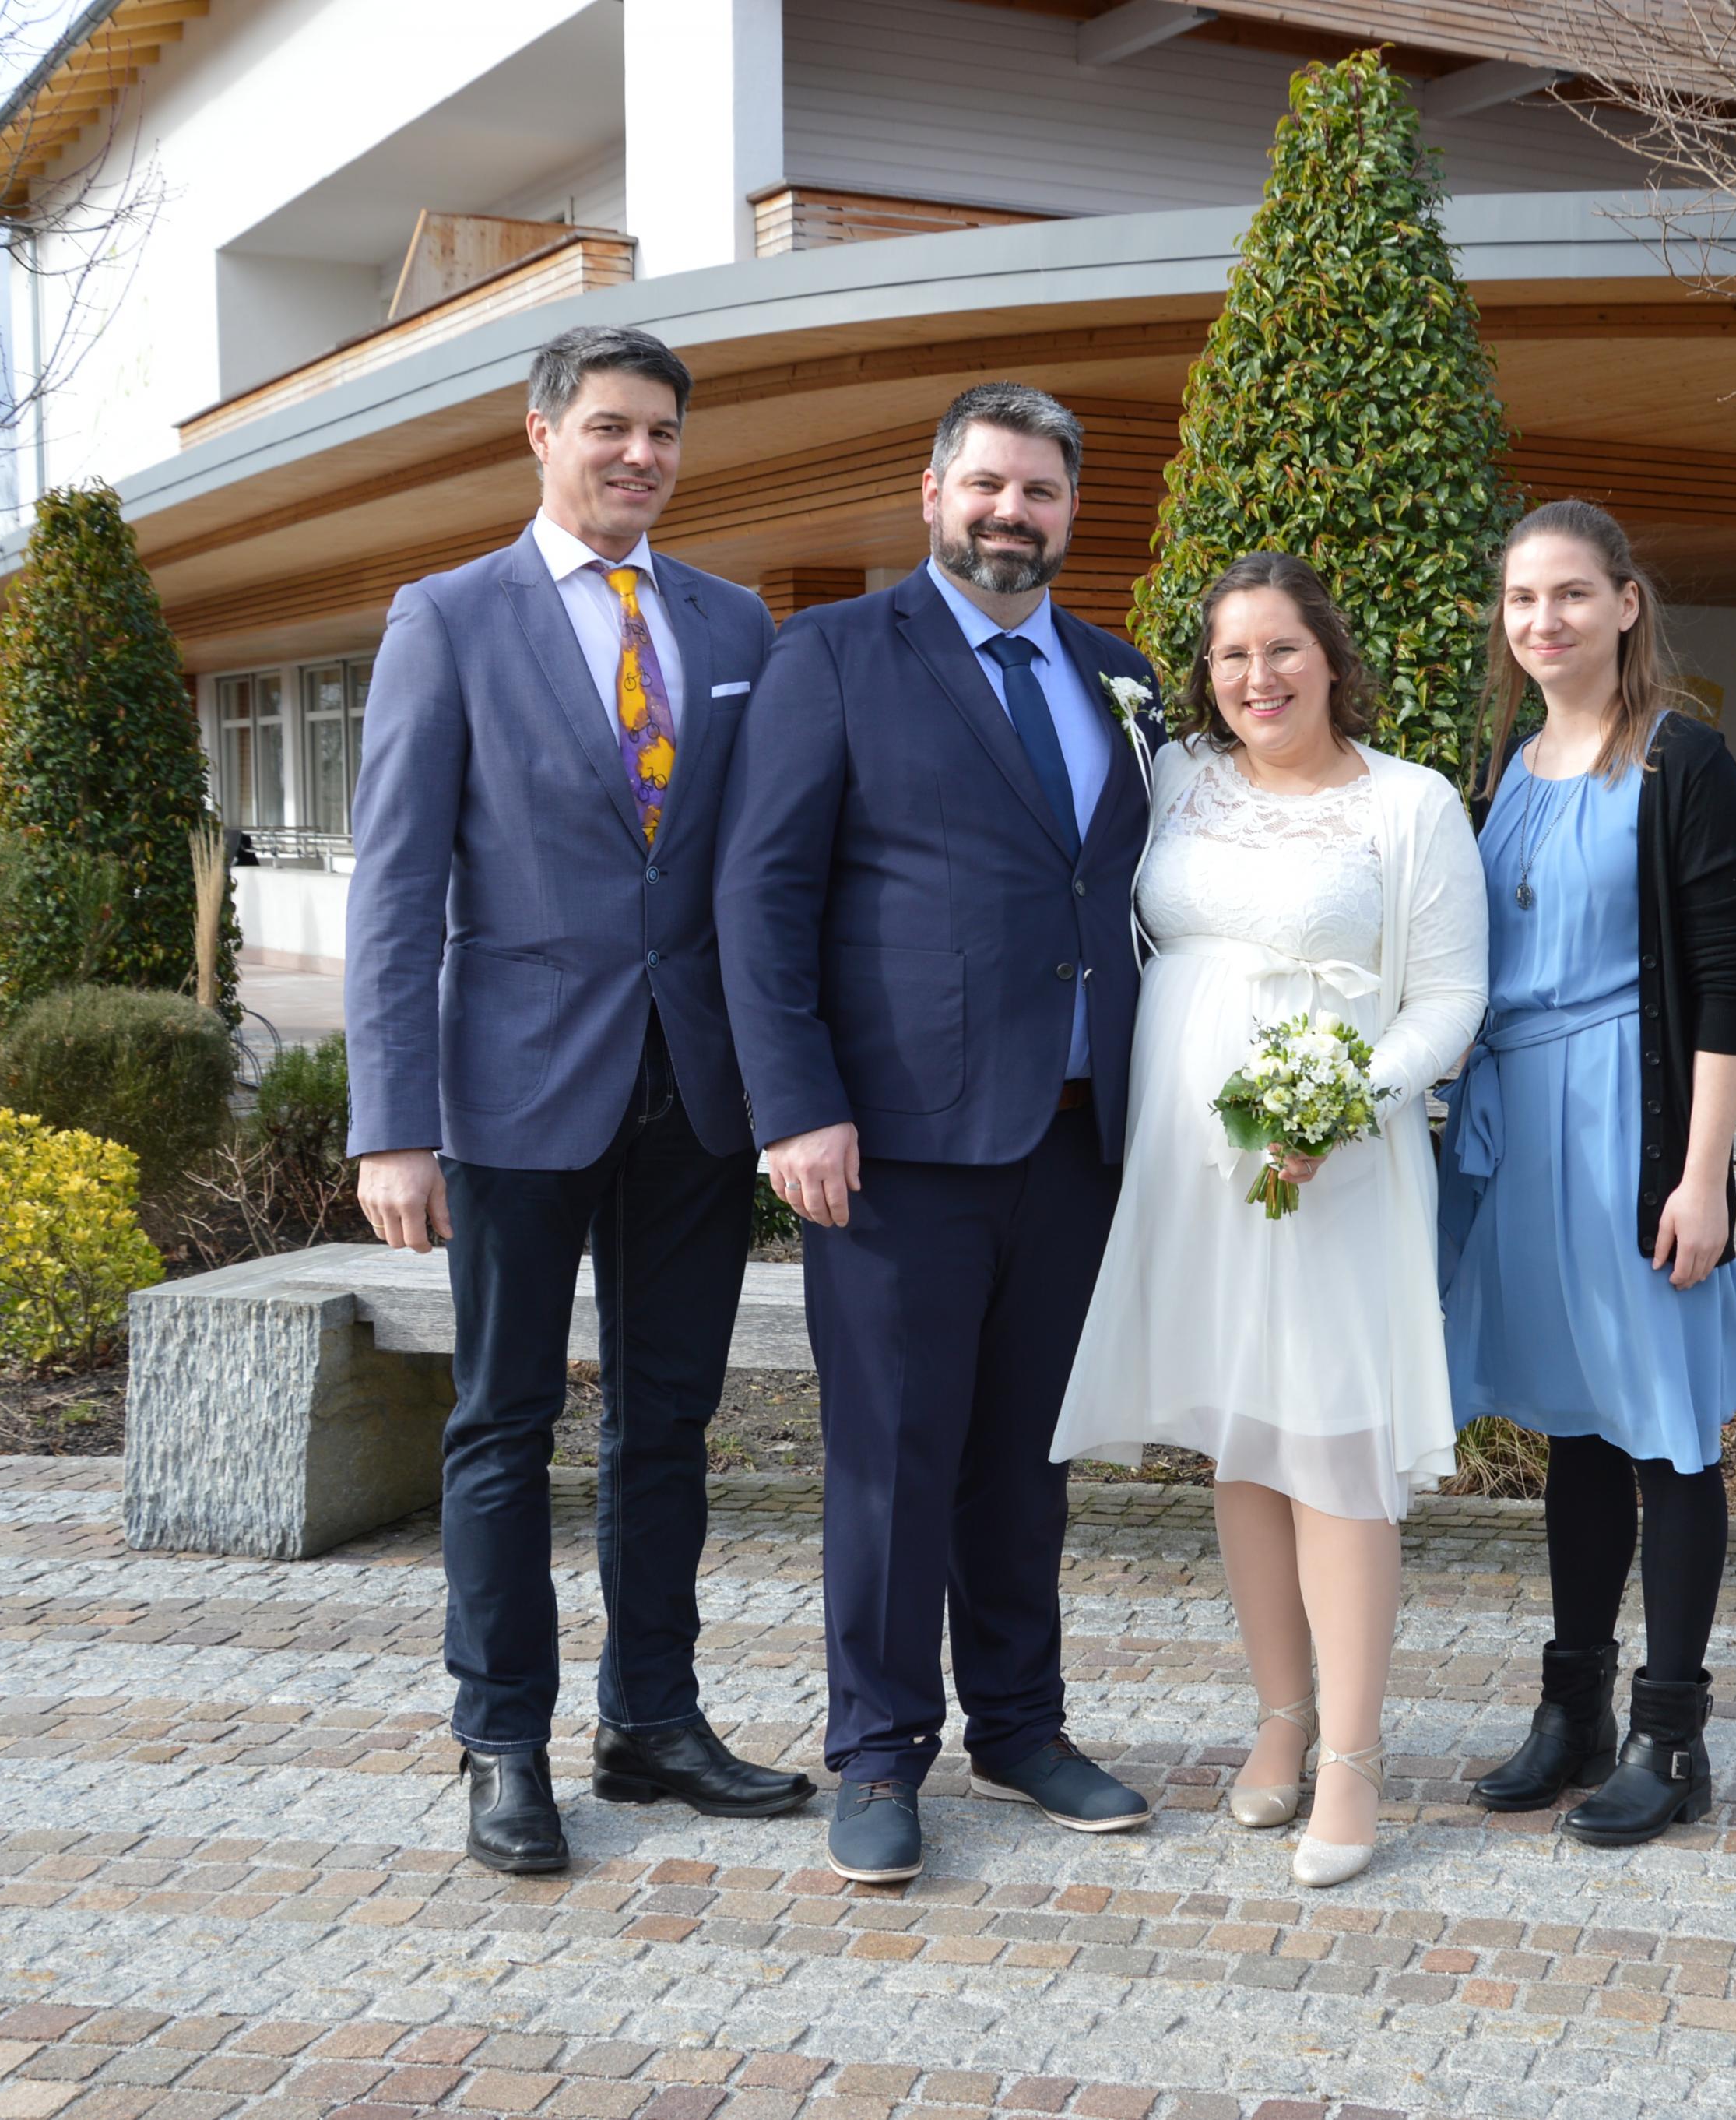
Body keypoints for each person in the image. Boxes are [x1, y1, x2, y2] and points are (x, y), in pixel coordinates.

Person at [346, 323, 815, 1876]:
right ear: (542, 434)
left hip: (696, 1089)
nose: (640, 455)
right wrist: (390, 1125)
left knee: (668, 1422)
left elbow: (761, 864)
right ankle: (502, 1742)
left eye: (663, 432)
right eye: (611, 426)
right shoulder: (448, 617)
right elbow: (394, 887)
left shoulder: (731, 619)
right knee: (505, 1421)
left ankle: (652, 1722)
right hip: (513, 1090)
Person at [722, 382, 1168, 1886]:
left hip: (1078, 1139)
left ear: (1071, 511)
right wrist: (796, 1105)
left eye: (1041, 491)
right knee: (893, 1461)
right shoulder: (835, 655)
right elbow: (762, 896)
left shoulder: (1120, 675)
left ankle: (1022, 1727)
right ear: (932, 494)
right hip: (894, 1147)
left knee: (1027, 1459)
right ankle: (877, 1750)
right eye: (987, 485)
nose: (1011, 513)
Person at [1051, 553, 1486, 1889]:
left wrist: (1346, 1104)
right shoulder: (1178, 776)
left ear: (1332, 656)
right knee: (1242, 1439)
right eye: (1233, 655)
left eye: (1283, 649)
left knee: (1335, 1446)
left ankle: (1353, 1757)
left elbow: (1451, 1001)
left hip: (1334, 1168)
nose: (1259, 677)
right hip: (1191, 1165)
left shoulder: (1408, 804)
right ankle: (1281, 1718)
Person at [1439, 498, 1736, 1848]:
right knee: (1579, 1428)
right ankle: (1574, 1715)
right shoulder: (1509, 765)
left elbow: (1725, 986)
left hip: (1632, 1130)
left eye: (1568, 593)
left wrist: (1702, 1177)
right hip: (1523, 1131)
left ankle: (1672, 1738)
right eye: (1520, 598)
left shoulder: (1683, 761)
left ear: (1625, 603)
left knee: (1666, 1427)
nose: (1541, 619)